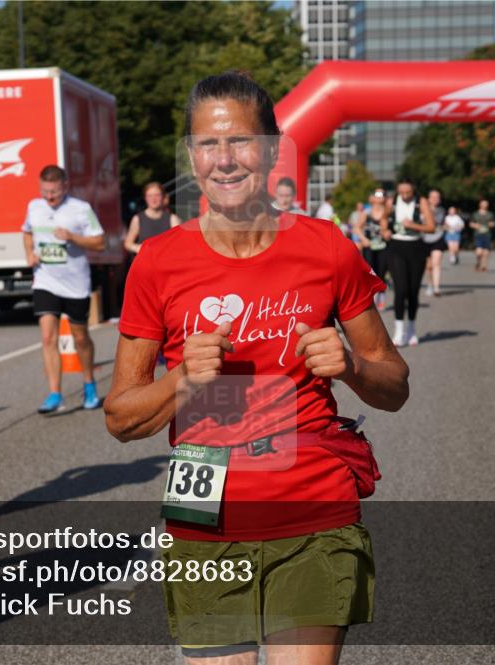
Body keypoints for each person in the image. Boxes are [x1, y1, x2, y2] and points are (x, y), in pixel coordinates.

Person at [105, 71, 410, 665]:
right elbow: (121, 418)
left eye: (240, 141)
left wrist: (349, 366)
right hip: (204, 514)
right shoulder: (159, 263)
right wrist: (179, 382)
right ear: (191, 157)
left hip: (312, 506)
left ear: (271, 149)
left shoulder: (326, 247)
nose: (224, 160)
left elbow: (394, 386)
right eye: (207, 144)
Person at [23, 165, 105, 413]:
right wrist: (29, 253)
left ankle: (89, 383)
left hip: (75, 284)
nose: (49, 197)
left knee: (80, 338)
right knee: (48, 337)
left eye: (54, 192)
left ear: (65, 187)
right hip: (45, 281)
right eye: (45, 191)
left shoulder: (81, 209)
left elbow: (100, 242)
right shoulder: (34, 207)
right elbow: (27, 232)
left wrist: (73, 237)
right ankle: (55, 393)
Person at [381, 179, 435, 347]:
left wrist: (413, 225)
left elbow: (431, 227)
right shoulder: (391, 202)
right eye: (401, 193)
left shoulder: (422, 202)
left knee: (412, 291)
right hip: (396, 246)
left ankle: (411, 329)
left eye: (408, 193)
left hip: (416, 247)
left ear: (413, 191)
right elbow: (383, 219)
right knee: (400, 289)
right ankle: (398, 332)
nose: (404, 196)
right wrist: (385, 231)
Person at [355, 189, 390, 312]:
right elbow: (357, 227)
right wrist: (363, 239)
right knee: (371, 273)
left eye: (382, 195)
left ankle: (382, 297)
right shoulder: (367, 212)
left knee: (382, 272)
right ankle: (372, 298)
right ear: (373, 198)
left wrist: (389, 233)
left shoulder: (388, 212)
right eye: (377, 195)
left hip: (384, 247)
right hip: (369, 247)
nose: (380, 198)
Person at [123, 181, 182, 254]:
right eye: (150, 196)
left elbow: (179, 243)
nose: (154, 199)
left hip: (166, 262)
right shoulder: (137, 219)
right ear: (145, 198)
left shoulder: (173, 219)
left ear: (163, 197)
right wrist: (138, 248)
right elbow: (128, 243)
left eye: (157, 195)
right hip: (145, 262)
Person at [422, 189, 446, 297]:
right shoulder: (421, 210)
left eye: (438, 197)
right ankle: (430, 284)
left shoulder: (441, 211)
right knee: (429, 266)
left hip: (438, 238)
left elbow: (437, 222)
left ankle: (437, 288)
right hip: (425, 239)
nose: (436, 199)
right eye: (433, 197)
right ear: (428, 199)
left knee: (436, 263)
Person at [469, 199, 495, 271]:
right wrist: (476, 225)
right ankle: (478, 261)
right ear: (480, 205)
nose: (485, 205)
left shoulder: (490, 214)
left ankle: (484, 265)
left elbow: (494, 223)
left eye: (486, 204)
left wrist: (491, 224)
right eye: (483, 204)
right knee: (479, 252)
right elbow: (470, 223)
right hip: (478, 234)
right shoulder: (475, 214)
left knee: (486, 252)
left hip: (487, 234)